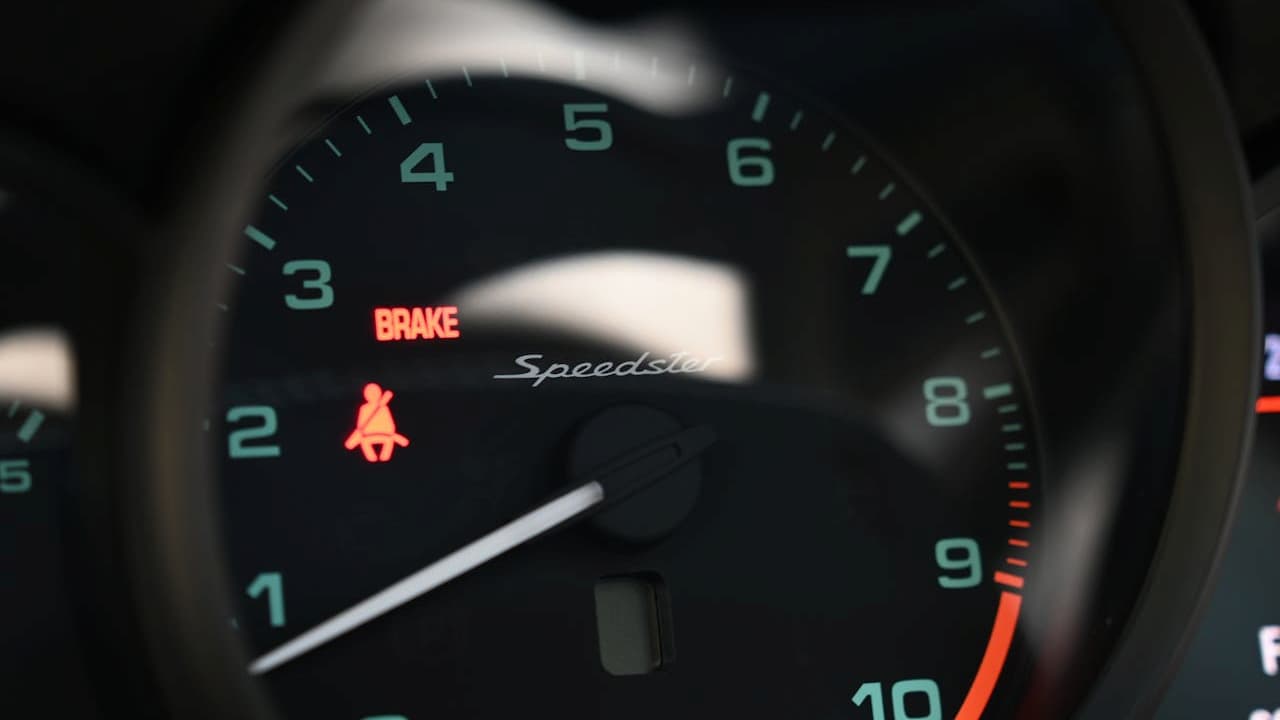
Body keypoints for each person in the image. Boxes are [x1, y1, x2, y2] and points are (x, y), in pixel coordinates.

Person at [343, 382, 409, 462]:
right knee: (364, 442)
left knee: (389, 441)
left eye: (375, 392)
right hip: (367, 435)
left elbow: (389, 422)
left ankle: (384, 457)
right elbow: (360, 425)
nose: (373, 395)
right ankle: (372, 458)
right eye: (370, 393)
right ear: (365, 395)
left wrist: (390, 432)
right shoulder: (363, 408)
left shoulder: (384, 408)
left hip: (385, 434)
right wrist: (362, 432)